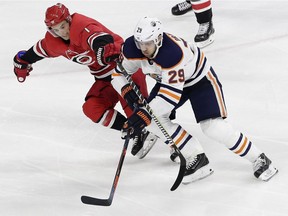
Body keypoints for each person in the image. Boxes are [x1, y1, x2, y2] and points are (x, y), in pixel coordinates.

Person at [111, 16, 278, 184]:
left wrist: (141, 115)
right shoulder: (133, 48)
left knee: (213, 127)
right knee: (152, 120)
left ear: (159, 39)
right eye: (140, 43)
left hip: (199, 81)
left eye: (148, 43)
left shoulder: (172, 53)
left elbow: (169, 98)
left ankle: (259, 158)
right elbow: (118, 73)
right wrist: (127, 92)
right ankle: (196, 157)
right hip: (168, 82)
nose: (144, 48)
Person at [12, 3, 157, 157]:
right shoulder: (54, 41)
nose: (61, 32)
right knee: (92, 108)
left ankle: (174, 143)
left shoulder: (83, 26)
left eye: (62, 26)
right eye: (55, 29)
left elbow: (100, 39)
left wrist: (103, 49)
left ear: (68, 20)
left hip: (125, 71)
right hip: (105, 79)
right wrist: (22, 61)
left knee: (137, 111)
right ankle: (132, 130)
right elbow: (39, 51)